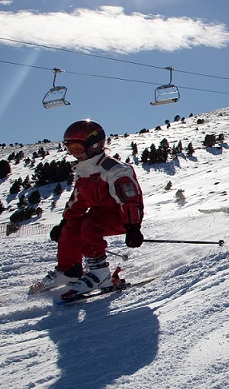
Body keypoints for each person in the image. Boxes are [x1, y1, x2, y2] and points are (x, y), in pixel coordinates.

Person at [31, 120, 144, 299]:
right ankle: (69, 270)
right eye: (70, 149)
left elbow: (130, 199)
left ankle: (101, 274)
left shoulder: (114, 170)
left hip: (122, 217)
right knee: (72, 227)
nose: (74, 154)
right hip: (100, 215)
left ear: (94, 145)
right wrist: (64, 223)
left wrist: (133, 227)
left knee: (90, 225)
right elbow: (77, 201)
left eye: (77, 148)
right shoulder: (84, 171)